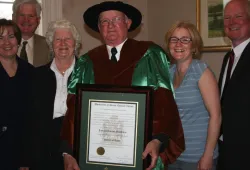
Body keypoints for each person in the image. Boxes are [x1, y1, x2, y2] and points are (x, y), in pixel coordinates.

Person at [61, 1, 185, 170]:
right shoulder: (86, 63)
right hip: (97, 158)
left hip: (141, 153)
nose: (110, 26)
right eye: (104, 21)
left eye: (116, 19)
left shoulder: (150, 55)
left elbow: (166, 104)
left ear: (128, 23)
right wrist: (68, 152)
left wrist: (158, 140)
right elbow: (73, 112)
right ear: (98, 27)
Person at [165, 21, 221, 170]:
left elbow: (216, 116)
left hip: (198, 158)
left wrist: (207, 156)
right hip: (174, 154)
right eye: (174, 39)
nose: (178, 44)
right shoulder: (168, 72)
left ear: (194, 45)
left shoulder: (201, 71)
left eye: (185, 40)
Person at [29, 19, 81, 170]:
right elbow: (29, 119)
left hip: (77, 147)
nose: (63, 43)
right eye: (58, 39)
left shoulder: (87, 73)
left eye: (67, 39)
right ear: (51, 44)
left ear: (75, 43)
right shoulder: (36, 76)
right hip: (43, 151)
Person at [218, 0, 250, 169]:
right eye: (227, 18)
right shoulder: (228, 58)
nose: (232, 22)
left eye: (238, 16)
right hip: (226, 150)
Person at [0, 19, 34, 170]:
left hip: (22, 151)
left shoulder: (31, 72)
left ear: (18, 40)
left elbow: (34, 118)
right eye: (0, 38)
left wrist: (26, 160)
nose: (6, 42)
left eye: (11, 36)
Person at [12, 0, 50, 67]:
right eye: (22, 15)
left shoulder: (48, 46)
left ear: (38, 20)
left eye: (31, 16)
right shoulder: (3, 44)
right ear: (13, 18)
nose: (26, 20)